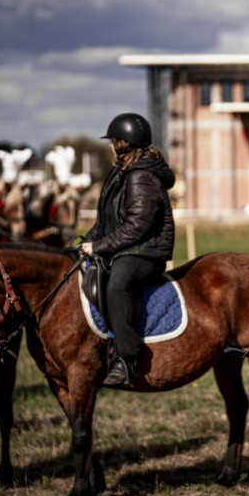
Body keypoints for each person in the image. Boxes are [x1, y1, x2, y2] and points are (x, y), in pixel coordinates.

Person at [80, 113, 175, 387]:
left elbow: (138, 226)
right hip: (125, 248)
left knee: (117, 286)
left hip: (145, 252)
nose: (109, 146)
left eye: (113, 141)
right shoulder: (120, 173)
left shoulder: (141, 176)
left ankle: (126, 360)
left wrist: (98, 246)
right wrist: (83, 243)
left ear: (124, 144)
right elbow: (105, 221)